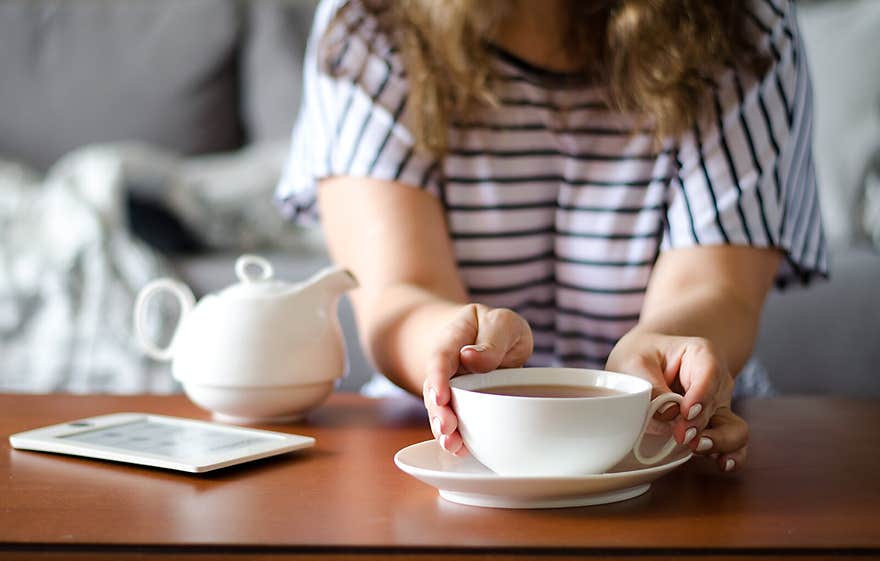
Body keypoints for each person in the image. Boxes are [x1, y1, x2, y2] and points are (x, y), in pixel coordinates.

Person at [276, 0, 826, 473]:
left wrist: (664, 358)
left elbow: (717, 289)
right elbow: (396, 291)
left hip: (674, 440)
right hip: (443, 440)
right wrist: (453, 347)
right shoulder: (374, 21)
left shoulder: (741, 22)